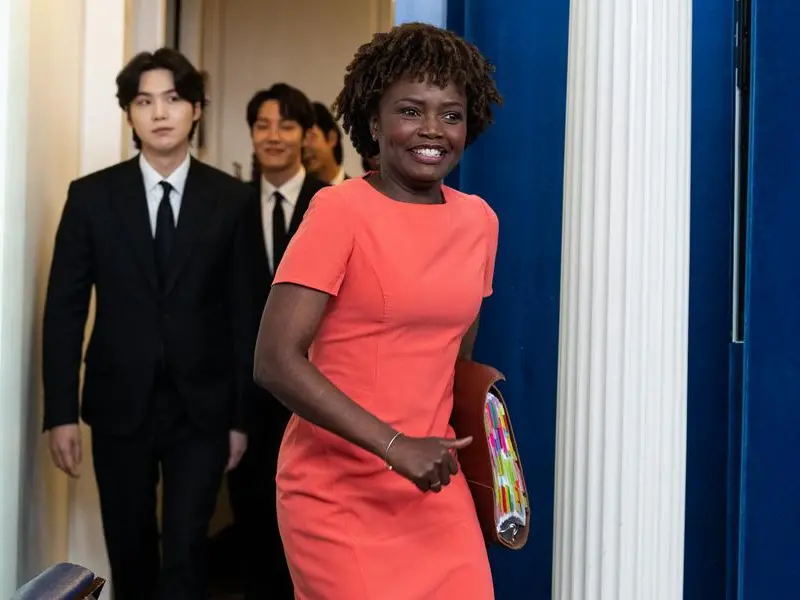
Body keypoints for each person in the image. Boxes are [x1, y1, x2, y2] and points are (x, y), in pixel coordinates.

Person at [253, 22, 503, 600]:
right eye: (410, 111)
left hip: (433, 485)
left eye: (451, 115)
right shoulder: (339, 211)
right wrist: (394, 445)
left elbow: (451, 359)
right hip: (337, 492)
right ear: (373, 121)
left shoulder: (479, 222)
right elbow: (274, 360)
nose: (432, 130)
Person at [42, 48, 257, 600]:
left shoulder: (232, 200)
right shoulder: (91, 197)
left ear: (196, 109)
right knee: (129, 550)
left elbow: (245, 315)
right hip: (119, 403)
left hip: (202, 409)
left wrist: (240, 417)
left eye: (173, 99)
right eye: (144, 102)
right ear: (129, 114)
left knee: (187, 551)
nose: (160, 113)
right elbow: (64, 309)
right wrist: (60, 414)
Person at [226, 83, 327, 600]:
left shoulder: (330, 203)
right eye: (263, 125)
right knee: (253, 535)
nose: (273, 136)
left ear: (305, 135)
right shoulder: (230, 207)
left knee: (311, 541)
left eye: (286, 126)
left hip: (314, 398)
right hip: (245, 403)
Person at [304, 101, 348, 184]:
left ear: (332, 138)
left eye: (311, 137)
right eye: (301, 139)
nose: (304, 145)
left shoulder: (358, 190)